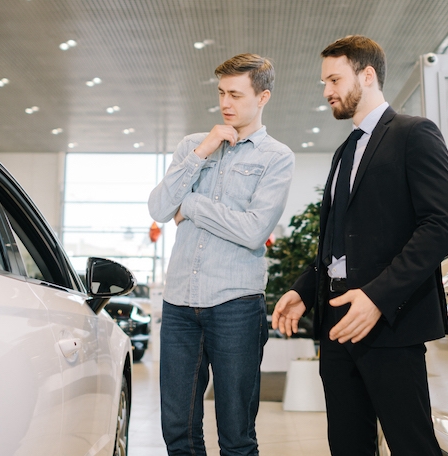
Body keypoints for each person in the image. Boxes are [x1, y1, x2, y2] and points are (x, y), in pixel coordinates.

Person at [271, 35, 448, 455]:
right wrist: (303, 291)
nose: (326, 91)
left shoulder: (414, 134)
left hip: (389, 323)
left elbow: (440, 226)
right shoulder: (343, 152)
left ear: (367, 75)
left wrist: (377, 297)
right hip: (337, 325)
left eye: (334, 80)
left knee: (412, 444)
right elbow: (336, 245)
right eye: (325, 82)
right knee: (347, 445)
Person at [148, 53, 295, 456]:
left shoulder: (276, 158)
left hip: (236, 306)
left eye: (235, 94)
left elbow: (252, 231)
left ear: (262, 97)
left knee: (236, 435)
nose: (225, 103)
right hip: (179, 305)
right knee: (178, 432)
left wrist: (191, 206)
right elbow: (159, 208)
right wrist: (201, 153)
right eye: (220, 93)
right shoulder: (192, 146)